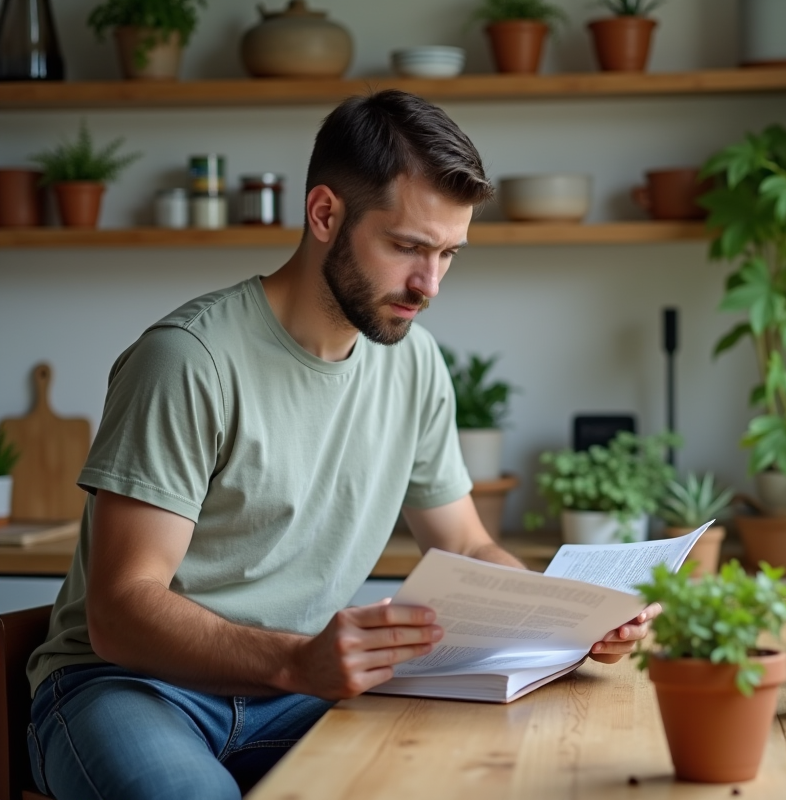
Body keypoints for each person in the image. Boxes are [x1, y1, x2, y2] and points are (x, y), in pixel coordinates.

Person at [25, 90, 658, 800]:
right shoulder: (189, 360)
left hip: (291, 695)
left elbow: (468, 546)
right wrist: (298, 662)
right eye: (407, 247)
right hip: (130, 691)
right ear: (325, 214)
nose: (429, 285)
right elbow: (120, 612)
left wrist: (565, 618)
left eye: (449, 253)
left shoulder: (414, 366)